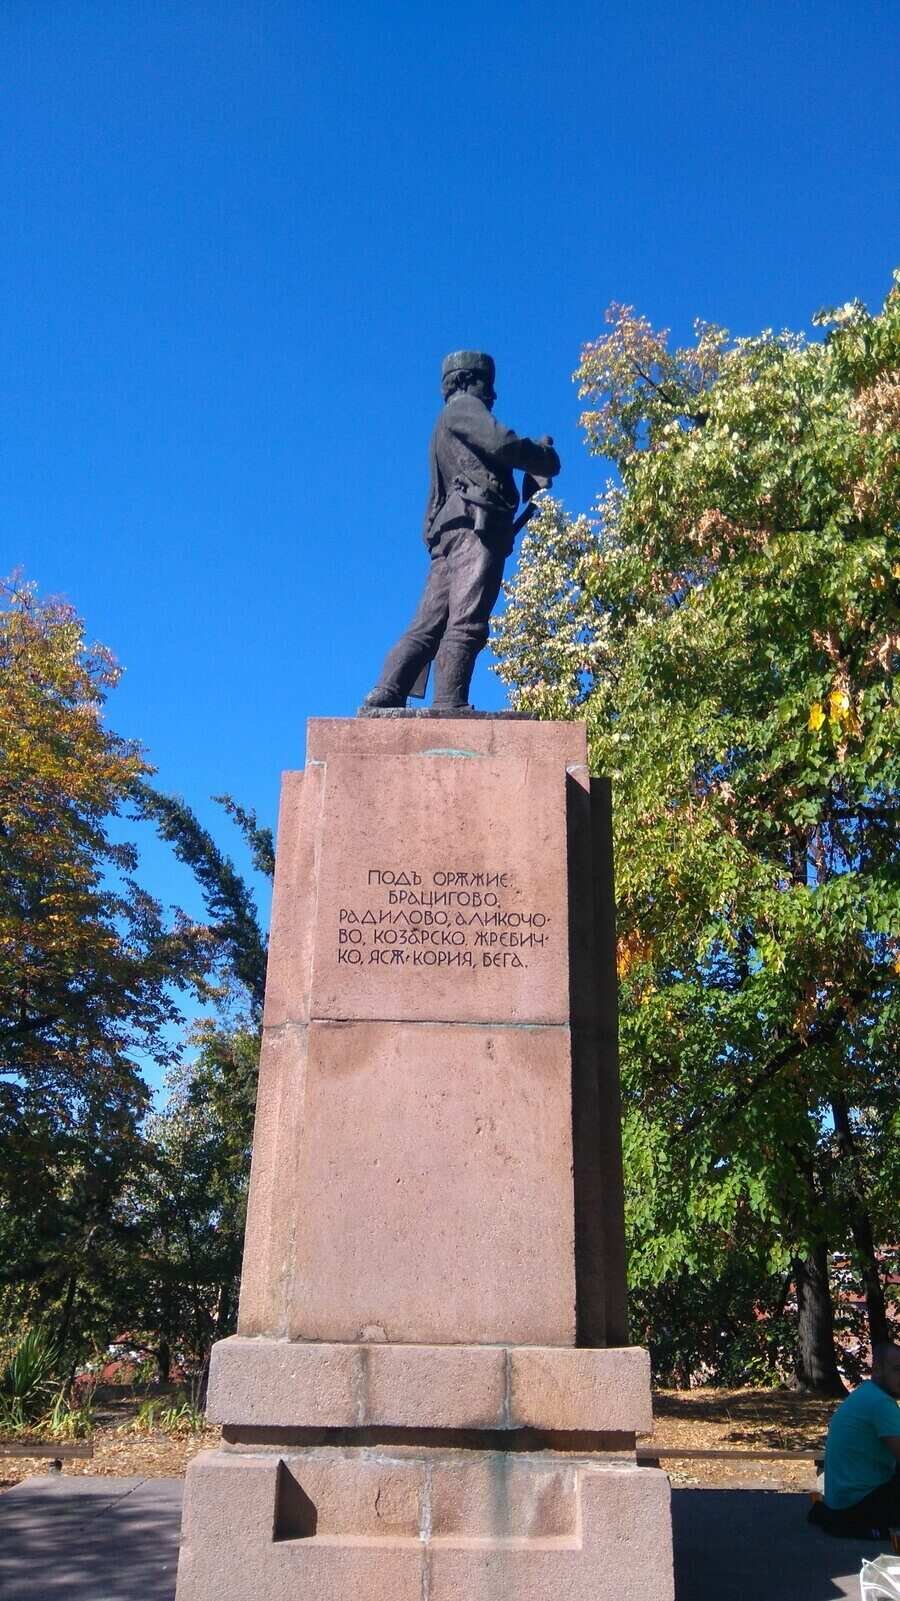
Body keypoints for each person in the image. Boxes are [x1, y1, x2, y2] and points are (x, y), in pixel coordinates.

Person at [361, 350, 560, 711]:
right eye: (487, 385)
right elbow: (503, 443)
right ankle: (449, 702)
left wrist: (436, 538)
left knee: (430, 621)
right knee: (468, 619)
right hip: (475, 526)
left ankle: (389, 689)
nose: (492, 395)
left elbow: (436, 497)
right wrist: (543, 458)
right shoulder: (463, 408)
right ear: (466, 381)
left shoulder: (442, 426)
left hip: (451, 531)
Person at [809, 1343, 900, 1538]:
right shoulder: (882, 1403)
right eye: (897, 1369)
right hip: (858, 1505)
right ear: (877, 1370)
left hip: (840, 1502)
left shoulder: (866, 1393)